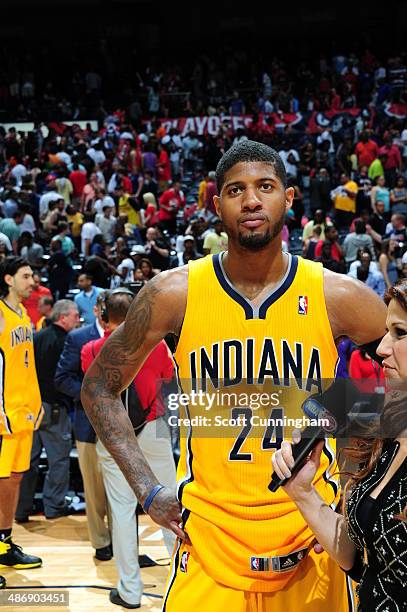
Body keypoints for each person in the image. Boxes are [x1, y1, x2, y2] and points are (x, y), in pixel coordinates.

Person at [81, 141, 387, 611]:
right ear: (216, 203)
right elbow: (99, 387)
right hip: (208, 538)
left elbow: (398, 376)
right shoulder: (172, 294)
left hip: (308, 533)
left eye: (265, 186)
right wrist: (148, 490)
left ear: (288, 198)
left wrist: (361, 471)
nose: (250, 201)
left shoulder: (336, 295)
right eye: (235, 190)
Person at [271, 279, 407, 611]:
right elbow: (366, 563)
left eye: (400, 333)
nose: (381, 348)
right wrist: (303, 493)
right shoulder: (394, 433)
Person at [81, 289, 177, 609]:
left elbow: (95, 394)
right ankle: (184, 576)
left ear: (104, 317)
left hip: (115, 438)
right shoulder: (159, 345)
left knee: (122, 513)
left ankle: (130, 591)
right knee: (172, 502)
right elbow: (169, 383)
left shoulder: (92, 348)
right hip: (155, 428)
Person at [55, 293, 112, 561]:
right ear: (98, 310)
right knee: (93, 487)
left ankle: (125, 542)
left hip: (124, 426)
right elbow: (62, 378)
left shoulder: (129, 335)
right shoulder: (78, 338)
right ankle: (101, 542)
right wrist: (90, 395)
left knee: (122, 489)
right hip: (88, 424)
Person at [16, 300, 80, 522]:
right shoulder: (67, 342)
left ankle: (20, 510)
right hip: (53, 409)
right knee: (58, 461)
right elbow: (62, 380)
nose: (78, 319)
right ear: (63, 317)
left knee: (27, 462)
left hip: (31, 408)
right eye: (75, 316)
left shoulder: (36, 337)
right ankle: (54, 508)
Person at [0, 257, 43, 571]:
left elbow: (26, 366)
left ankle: (4, 542)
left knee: (13, 481)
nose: (33, 281)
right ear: (8, 279)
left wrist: (36, 403)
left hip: (24, 414)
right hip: (4, 416)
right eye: (26, 276)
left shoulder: (25, 316)